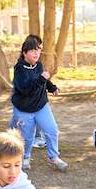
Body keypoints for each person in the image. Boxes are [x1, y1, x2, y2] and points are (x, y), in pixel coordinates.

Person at [11, 35, 68, 171]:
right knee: (28, 137)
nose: (37, 53)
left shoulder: (39, 65)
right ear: (25, 53)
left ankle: (53, 157)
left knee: (52, 130)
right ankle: (25, 157)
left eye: (38, 50)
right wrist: (42, 79)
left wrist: (52, 87)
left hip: (41, 106)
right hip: (24, 108)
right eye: (33, 50)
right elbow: (25, 89)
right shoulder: (19, 69)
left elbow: (43, 80)